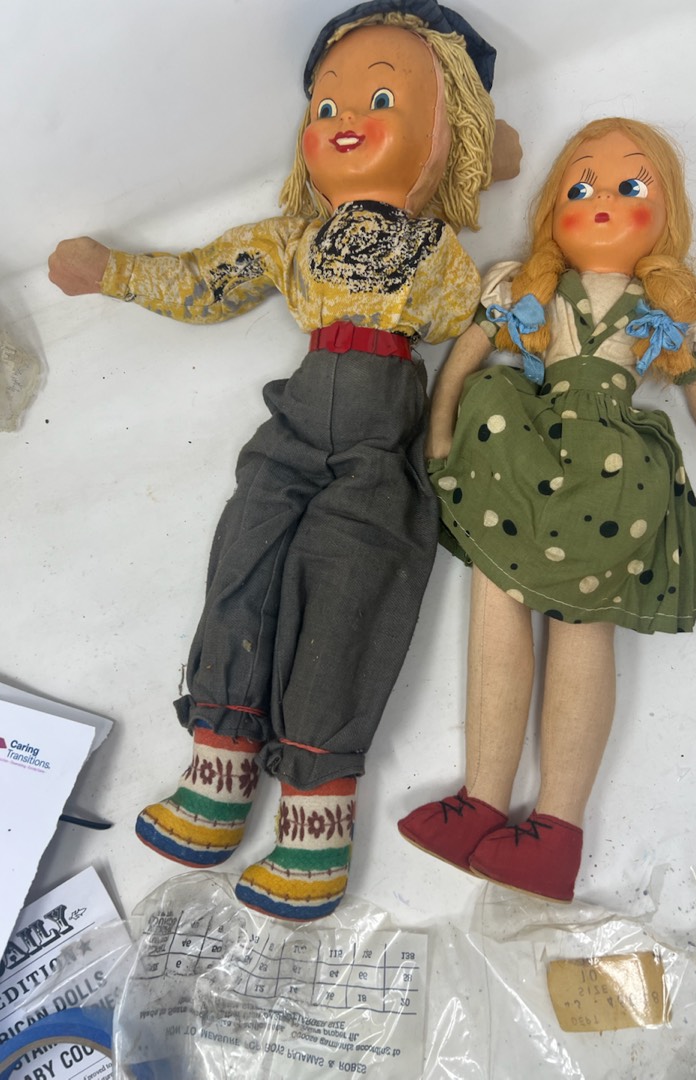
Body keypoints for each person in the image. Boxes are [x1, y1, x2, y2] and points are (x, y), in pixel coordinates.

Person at [47, 1, 516, 921]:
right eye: (326, 106)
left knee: (350, 596)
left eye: (382, 100)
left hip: (384, 440)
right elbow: (206, 279)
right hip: (293, 425)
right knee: (244, 560)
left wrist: (484, 182)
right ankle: (218, 770)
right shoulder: (289, 239)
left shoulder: (446, 257)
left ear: (445, 132)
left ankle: (315, 821)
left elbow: (474, 325)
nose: (345, 121)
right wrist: (116, 273)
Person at [398, 116, 696, 903]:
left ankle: (556, 827)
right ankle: (481, 799)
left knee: (583, 621)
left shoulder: (670, 308)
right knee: (496, 595)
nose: (602, 201)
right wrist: (440, 427)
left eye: (630, 186)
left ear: (667, 214)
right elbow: (465, 361)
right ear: (552, 207)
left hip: (613, 474)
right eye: (580, 186)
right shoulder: (527, 287)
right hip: (520, 448)